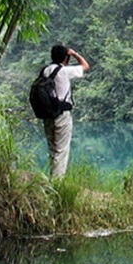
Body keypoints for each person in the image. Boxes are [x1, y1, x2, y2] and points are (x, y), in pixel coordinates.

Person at [40, 44, 89, 178]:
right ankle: (57, 184)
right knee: (61, 150)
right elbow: (85, 66)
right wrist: (74, 54)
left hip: (47, 114)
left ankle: (52, 178)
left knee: (52, 148)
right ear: (65, 58)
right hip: (62, 115)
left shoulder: (45, 70)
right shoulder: (65, 71)